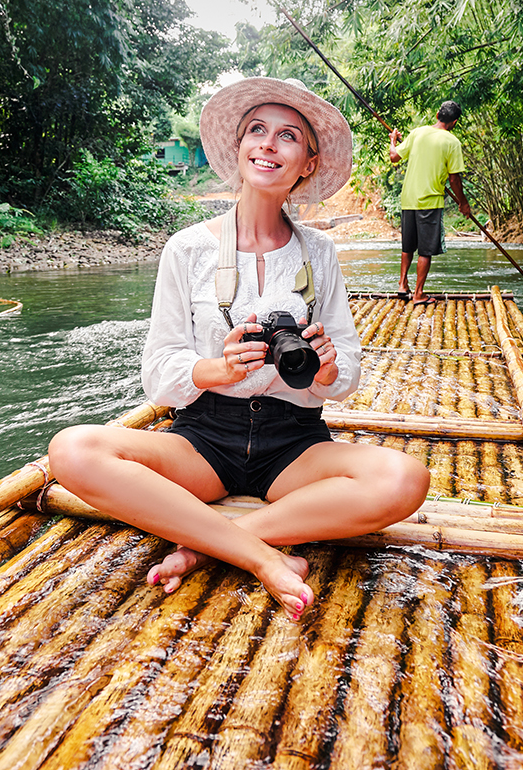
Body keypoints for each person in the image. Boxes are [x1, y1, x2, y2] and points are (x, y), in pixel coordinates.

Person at [49, 77, 430, 621]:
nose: (268, 144)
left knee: (405, 479)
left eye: (287, 136)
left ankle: (207, 545)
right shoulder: (188, 249)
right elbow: (157, 373)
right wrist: (216, 368)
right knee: (72, 450)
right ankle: (261, 556)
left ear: (308, 162)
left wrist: (325, 371)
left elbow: (348, 371)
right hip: (204, 439)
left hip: (294, 445)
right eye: (257, 130)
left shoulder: (319, 253)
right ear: (239, 147)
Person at [388, 100, 473, 305]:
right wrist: (463, 203)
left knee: (408, 246)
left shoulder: (418, 133)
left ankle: (402, 284)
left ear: (437, 115)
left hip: (408, 198)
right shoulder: (452, 143)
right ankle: (418, 293)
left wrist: (393, 140)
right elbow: (454, 179)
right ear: (454, 122)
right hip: (430, 201)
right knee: (425, 250)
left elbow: (394, 156)